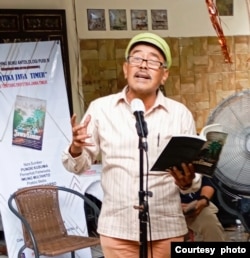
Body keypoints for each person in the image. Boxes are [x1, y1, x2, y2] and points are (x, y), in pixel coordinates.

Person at [62, 32, 202, 258]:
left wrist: (189, 181)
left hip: (166, 228)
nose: (143, 66)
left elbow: (193, 180)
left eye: (153, 60)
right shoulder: (100, 109)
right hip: (117, 230)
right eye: (137, 58)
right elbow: (75, 166)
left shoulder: (180, 114)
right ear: (126, 68)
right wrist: (76, 148)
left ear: (164, 74)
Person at [181, 176, 225, 241]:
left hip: (197, 203)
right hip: (166, 207)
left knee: (211, 224)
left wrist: (203, 200)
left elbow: (209, 181)